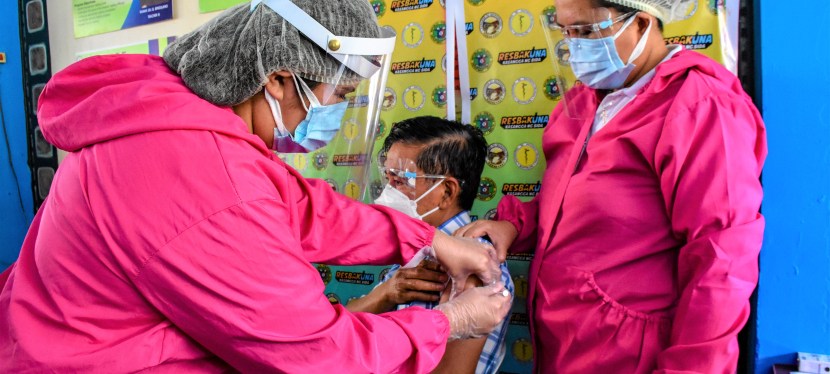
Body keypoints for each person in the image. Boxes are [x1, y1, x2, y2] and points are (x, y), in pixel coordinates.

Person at [0, 0, 512, 372]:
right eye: (339, 95)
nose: (336, 113)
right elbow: (317, 356)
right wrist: (449, 322)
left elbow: (304, 207)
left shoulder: (171, 117)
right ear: (278, 78)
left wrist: (428, 239)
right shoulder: (204, 180)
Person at [455, 0, 767, 373]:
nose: (575, 46)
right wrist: (515, 225)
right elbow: (575, 197)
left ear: (642, 22)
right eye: (566, 31)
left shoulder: (699, 106)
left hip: (630, 351)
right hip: (567, 338)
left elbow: (722, 256)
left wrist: (693, 367)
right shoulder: (586, 101)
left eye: (587, 31)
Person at [346, 117, 514, 374]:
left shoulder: (475, 265)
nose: (387, 192)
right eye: (387, 177)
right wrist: (387, 293)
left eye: (401, 180)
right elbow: (340, 328)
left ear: (446, 192)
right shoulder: (419, 252)